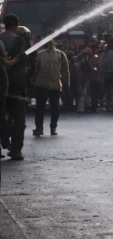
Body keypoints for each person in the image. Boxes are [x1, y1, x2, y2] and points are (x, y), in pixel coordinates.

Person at [1, 15, 30, 160]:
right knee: (18, 119)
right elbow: (27, 63)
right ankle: (15, 149)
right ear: (16, 26)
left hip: (1, 86)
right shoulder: (20, 41)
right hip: (18, 86)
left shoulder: (0, 40)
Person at [32, 39, 70, 137]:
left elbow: (36, 69)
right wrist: (66, 82)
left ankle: (40, 128)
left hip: (43, 84)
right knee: (54, 108)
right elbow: (65, 71)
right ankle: (52, 128)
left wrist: (34, 81)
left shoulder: (40, 54)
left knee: (41, 108)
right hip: (54, 84)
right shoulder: (60, 54)